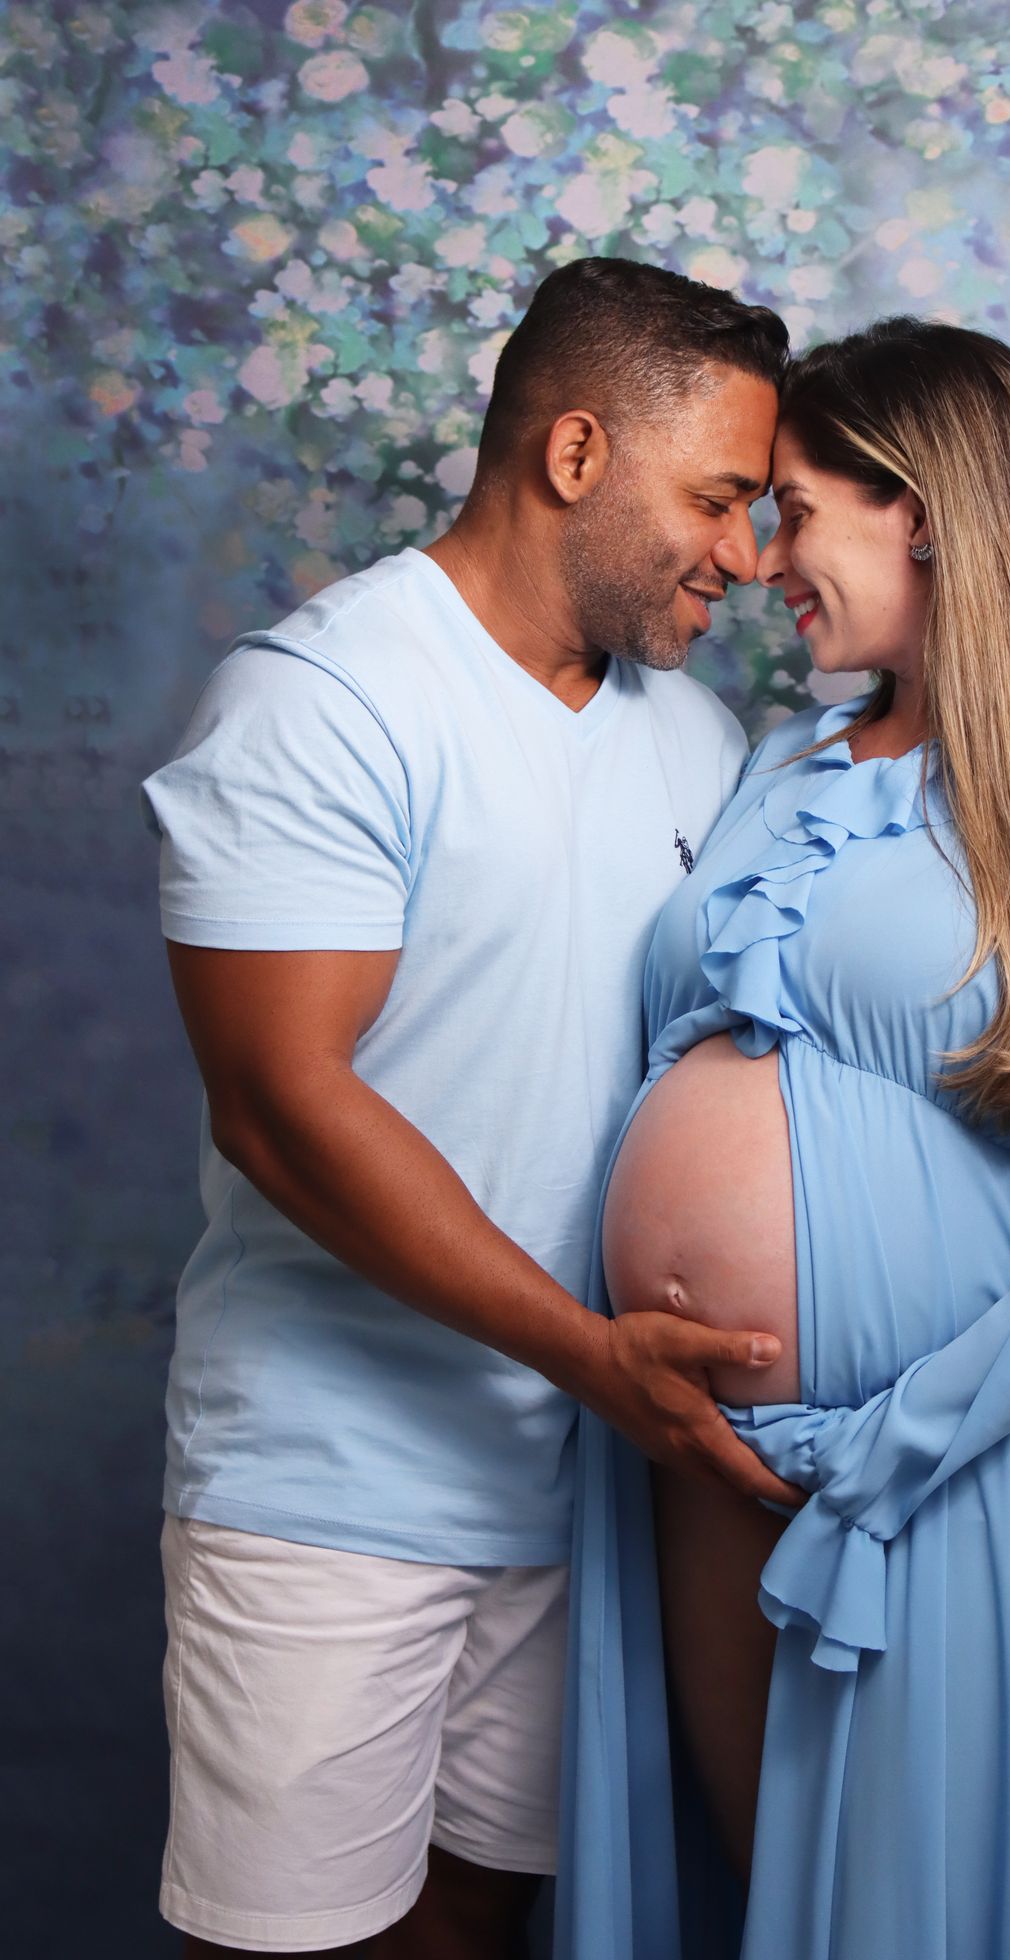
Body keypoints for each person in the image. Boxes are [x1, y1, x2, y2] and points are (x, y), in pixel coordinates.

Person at [139, 256, 803, 1959]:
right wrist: (589, 1354)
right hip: (331, 1487)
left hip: (580, 1493)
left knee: (475, 1930)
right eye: (717, 499)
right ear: (576, 454)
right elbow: (280, 1105)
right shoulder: (327, 701)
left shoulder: (699, 738)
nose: (748, 556)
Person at [557, 318, 1010, 1959]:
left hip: (930, 1473)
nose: (763, 560)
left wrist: (892, 1444)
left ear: (921, 511)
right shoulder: (778, 762)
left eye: (795, 512)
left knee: (890, 1923)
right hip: (700, 1451)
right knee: (746, 1908)